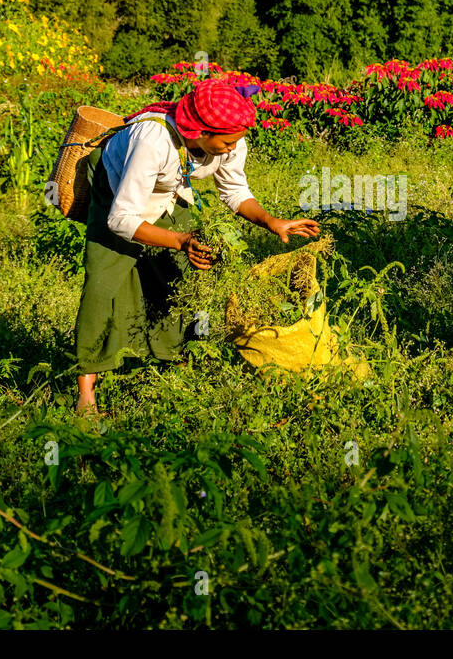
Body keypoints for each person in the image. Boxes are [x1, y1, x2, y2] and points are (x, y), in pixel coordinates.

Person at [73, 82, 320, 415]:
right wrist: (180, 239)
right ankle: (86, 393)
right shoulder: (151, 141)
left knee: (180, 277)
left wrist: (270, 221)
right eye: (227, 142)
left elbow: (234, 191)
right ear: (199, 132)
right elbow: (121, 219)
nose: (233, 147)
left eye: (235, 141)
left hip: (168, 191)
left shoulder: (228, 139)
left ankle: (173, 360)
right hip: (117, 193)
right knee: (105, 283)